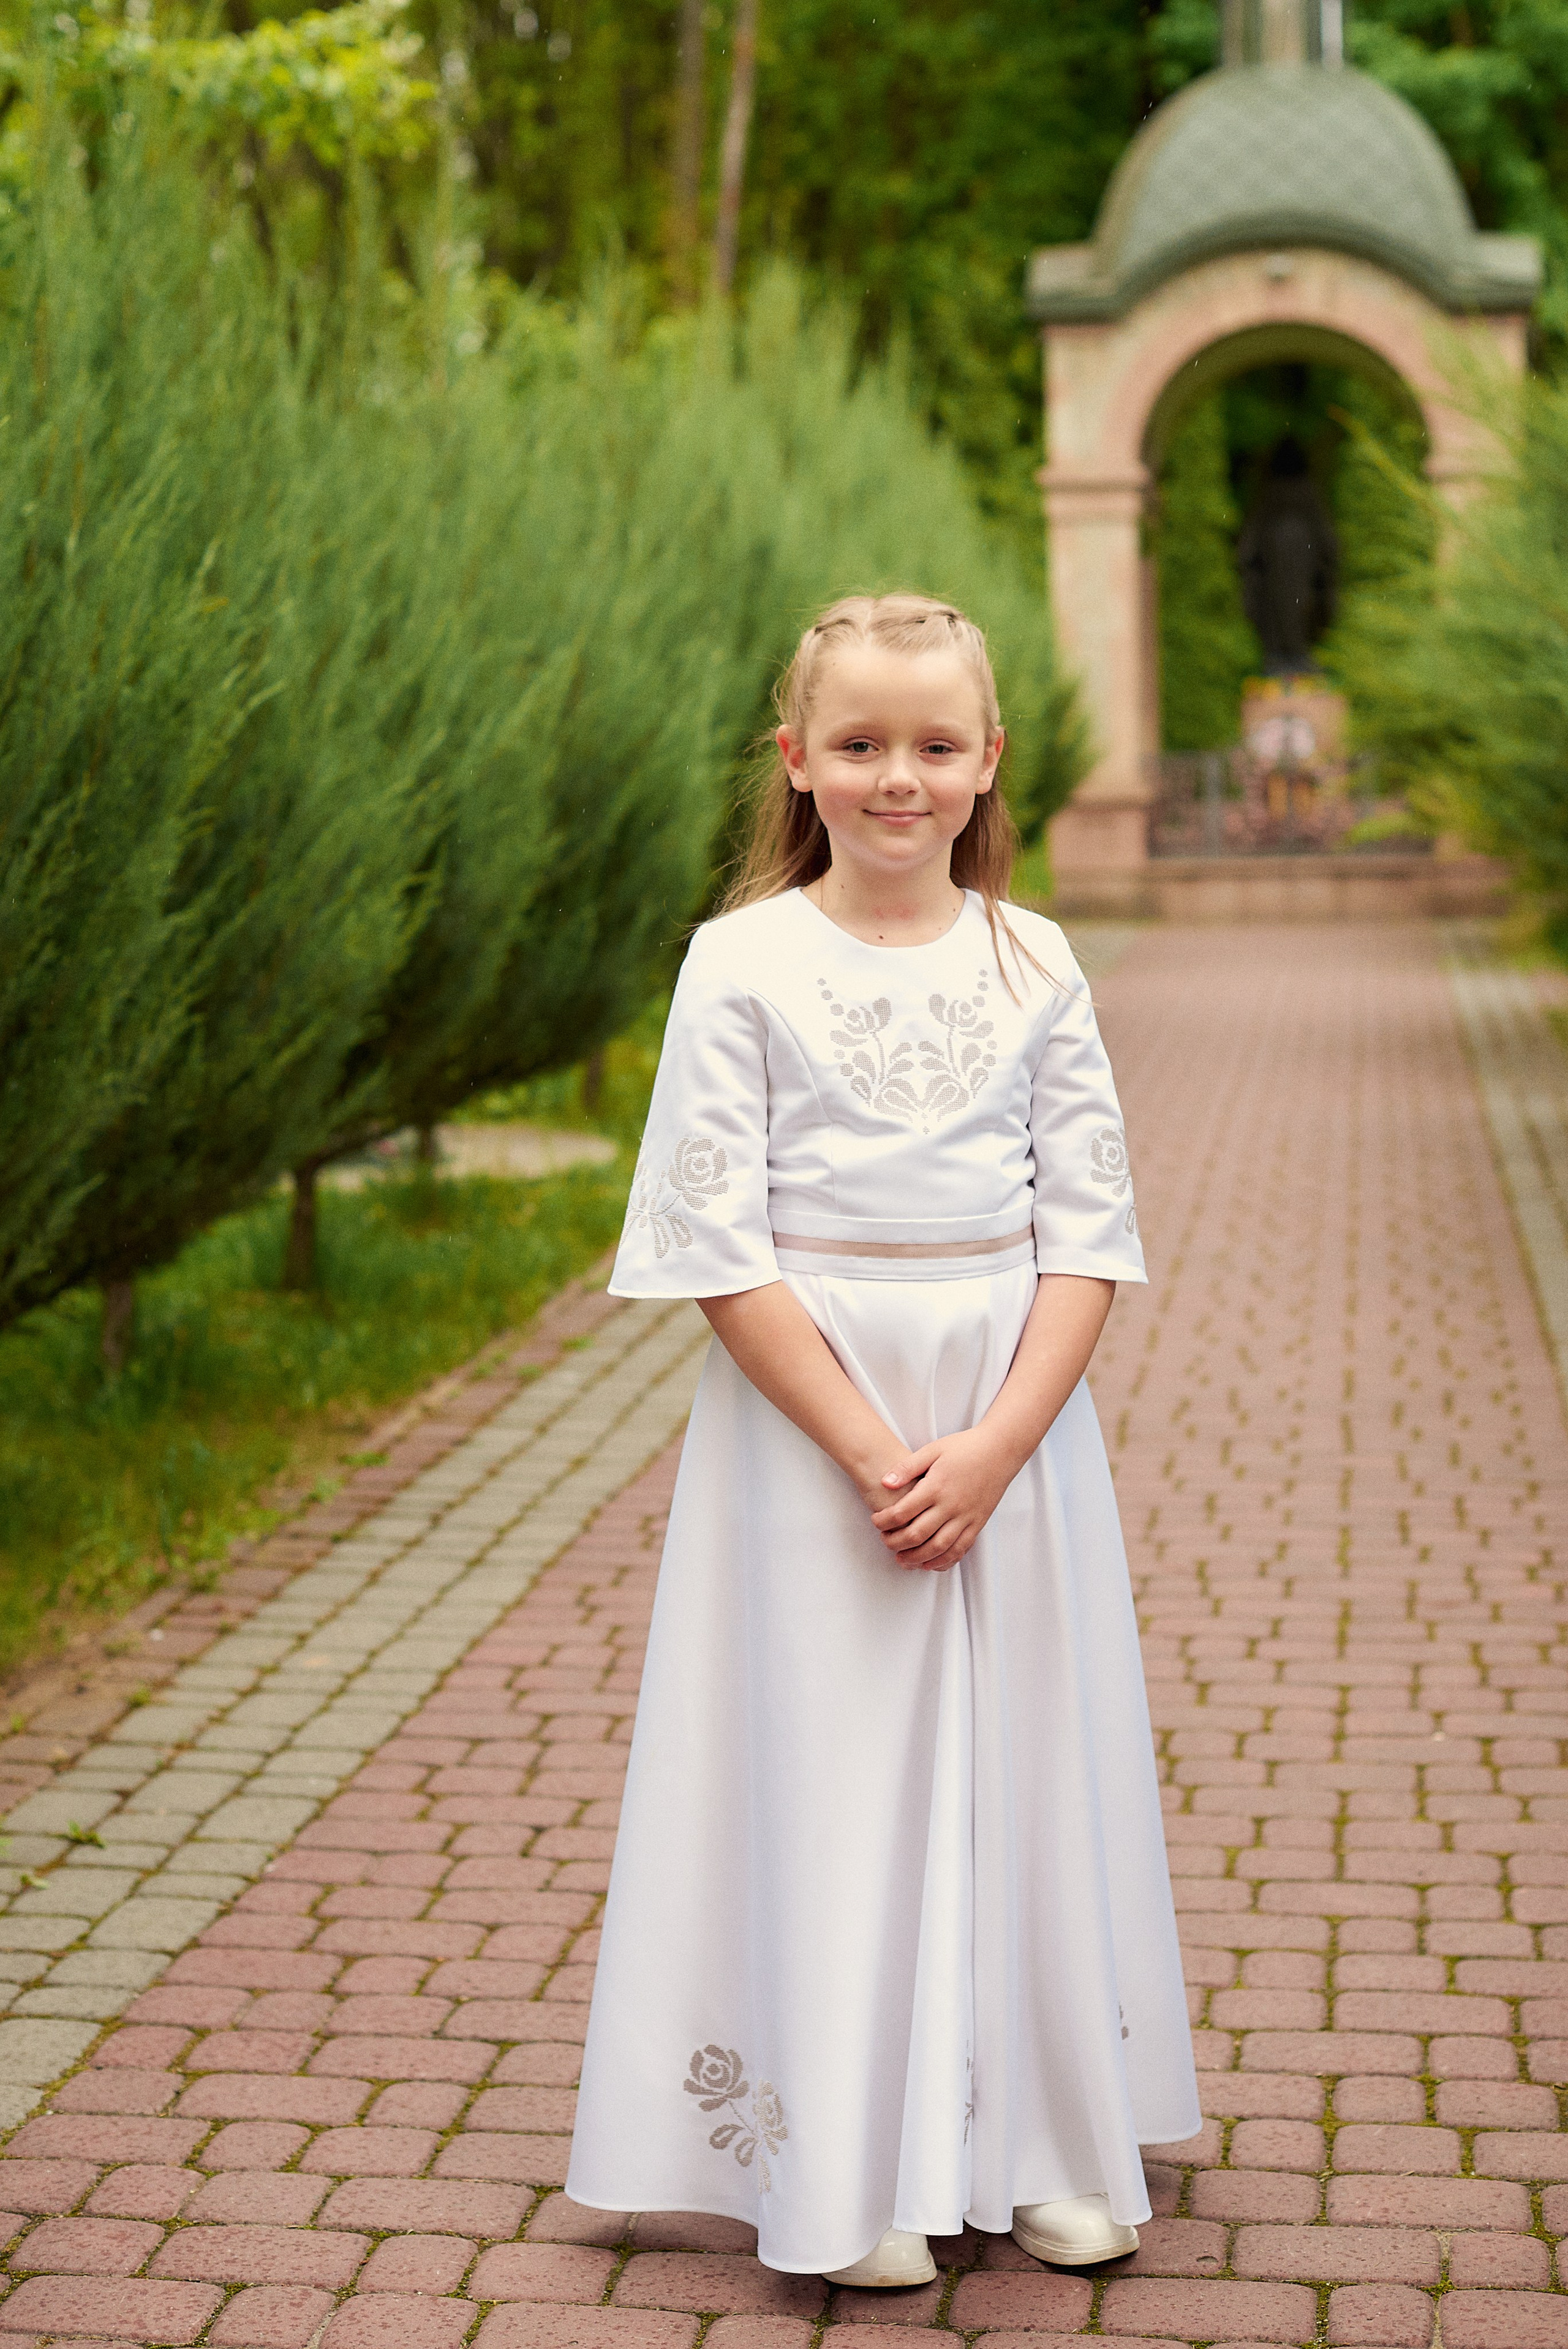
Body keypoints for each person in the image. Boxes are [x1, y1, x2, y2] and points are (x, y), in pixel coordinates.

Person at [565, 592, 1199, 2285]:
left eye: (934, 746)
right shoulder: (743, 962)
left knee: (1020, 1757)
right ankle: (852, 2165)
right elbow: (716, 1238)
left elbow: (1089, 1231)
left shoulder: (1036, 958)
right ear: (798, 760)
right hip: (811, 1424)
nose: (896, 778)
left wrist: (992, 1445)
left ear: (991, 761)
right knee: (836, 1770)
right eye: (859, 745)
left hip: (1010, 1416)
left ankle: (1050, 2136)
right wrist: (868, 1449)